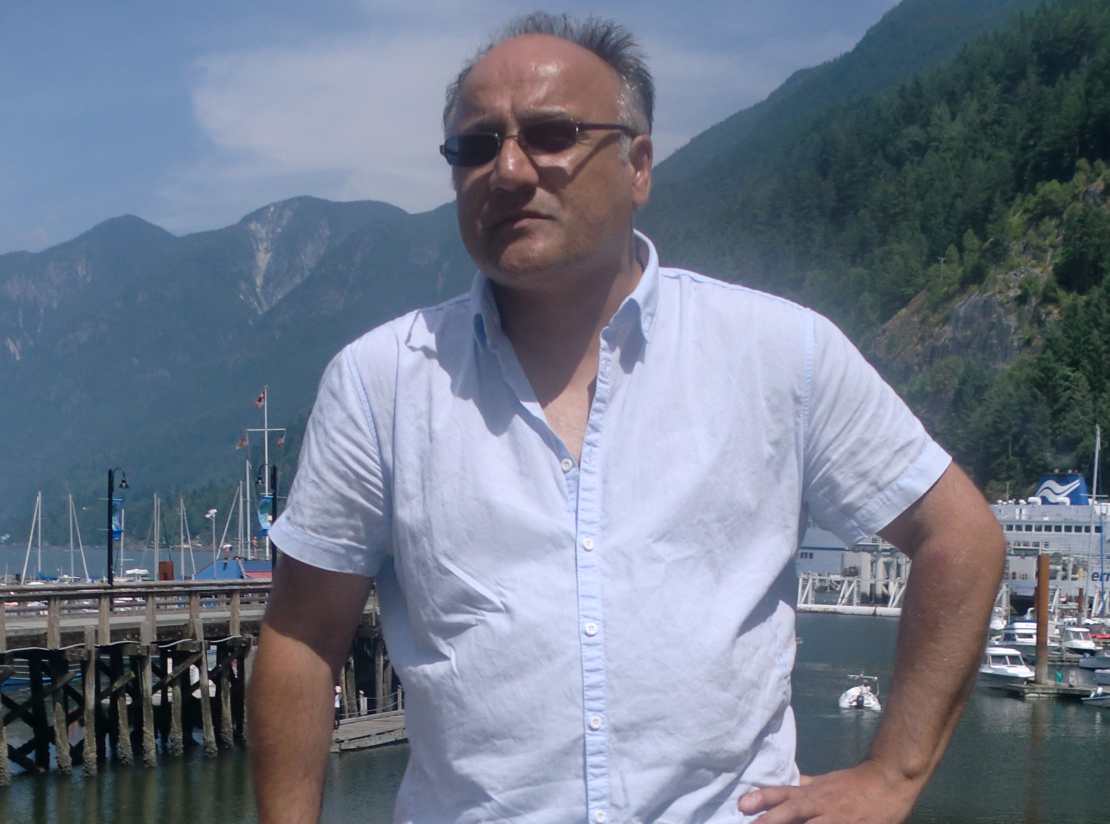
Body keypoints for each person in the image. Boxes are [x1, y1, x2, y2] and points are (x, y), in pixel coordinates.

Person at [250, 13, 1005, 824]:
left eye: (551, 134)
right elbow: (301, 638)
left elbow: (960, 537)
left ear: (638, 164)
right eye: (476, 146)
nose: (507, 169)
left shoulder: (778, 353)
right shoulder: (380, 384)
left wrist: (892, 774)